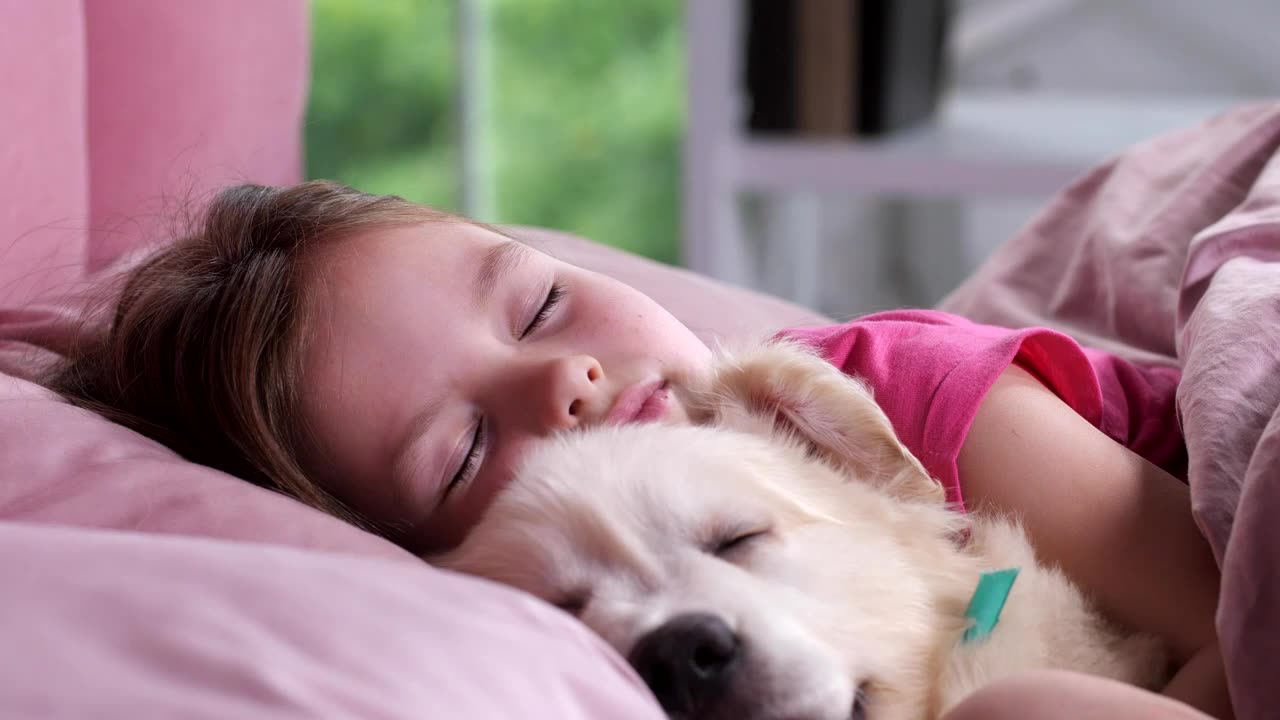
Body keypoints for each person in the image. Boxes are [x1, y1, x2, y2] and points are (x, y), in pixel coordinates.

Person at [47, 180, 1228, 718]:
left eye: (539, 307)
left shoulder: (900, 397)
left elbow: (1245, 613)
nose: (562, 385)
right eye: (461, 450)